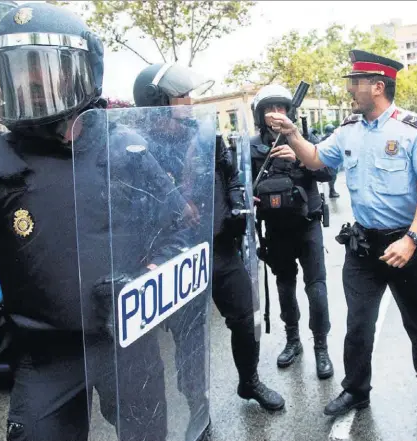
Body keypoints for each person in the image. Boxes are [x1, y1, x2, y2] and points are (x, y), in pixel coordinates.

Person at [0, 4, 185, 441]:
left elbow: (176, 225)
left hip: (127, 341)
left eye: (45, 69)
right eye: (19, 72)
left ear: (84, 72)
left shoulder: (125, 149)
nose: (32, 84)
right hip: (45, 356)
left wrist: (150, 277)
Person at [265, 50, 417, 417]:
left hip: (405, 243)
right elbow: (316, 158)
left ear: (378, 86)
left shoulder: (414, 130)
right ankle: (356, 391)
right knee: (358, 323)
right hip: (363, 245)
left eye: (356, 83)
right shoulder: (349, 129)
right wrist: (294, 134)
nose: (350, 89)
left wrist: (412, 240)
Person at [132, 63, 285, 416]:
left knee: (245, 318)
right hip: (179, 255)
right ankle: (196, 406)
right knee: (190, 336)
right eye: (182, 95)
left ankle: (249, 381)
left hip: (220, 247)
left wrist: (237, 202)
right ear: (157, 100)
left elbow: (230, 175)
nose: (190, 100)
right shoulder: (141, 147)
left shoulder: (204, 133)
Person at [250, 84, 335, 380]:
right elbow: (240, 185)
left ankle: (321, 347)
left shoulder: (305, 139)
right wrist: (249, 196)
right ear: (259, 115)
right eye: (269, 109)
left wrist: (299, 156)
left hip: (307, 224)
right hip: (275, 229)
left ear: (291, 112)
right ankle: (292, 340)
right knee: (285, 287)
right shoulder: (252, 146)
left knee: (317, 289)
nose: (276, 114)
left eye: (281, 108)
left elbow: (327, 172)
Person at [321, 124, 340, 198]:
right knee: (333, 176)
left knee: (331, 176)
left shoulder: (323, 138)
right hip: (332, 160)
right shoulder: (332, 137)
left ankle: (332, 191)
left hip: (326, 160)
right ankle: (332, 191)